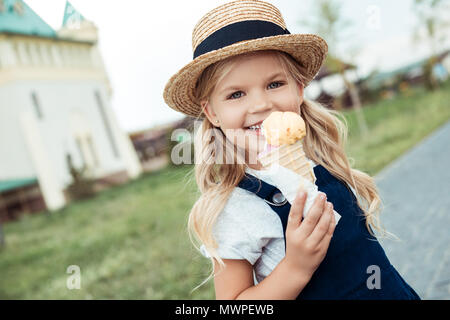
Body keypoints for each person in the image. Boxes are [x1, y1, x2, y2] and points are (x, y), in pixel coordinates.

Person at [163, 0, 420, 300]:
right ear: (212, 113)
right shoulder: (236, 210)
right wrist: (295, 268)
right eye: (236, 94)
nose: (261, 104)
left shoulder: (321, 165)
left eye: (274, 84)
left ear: (299, 89)